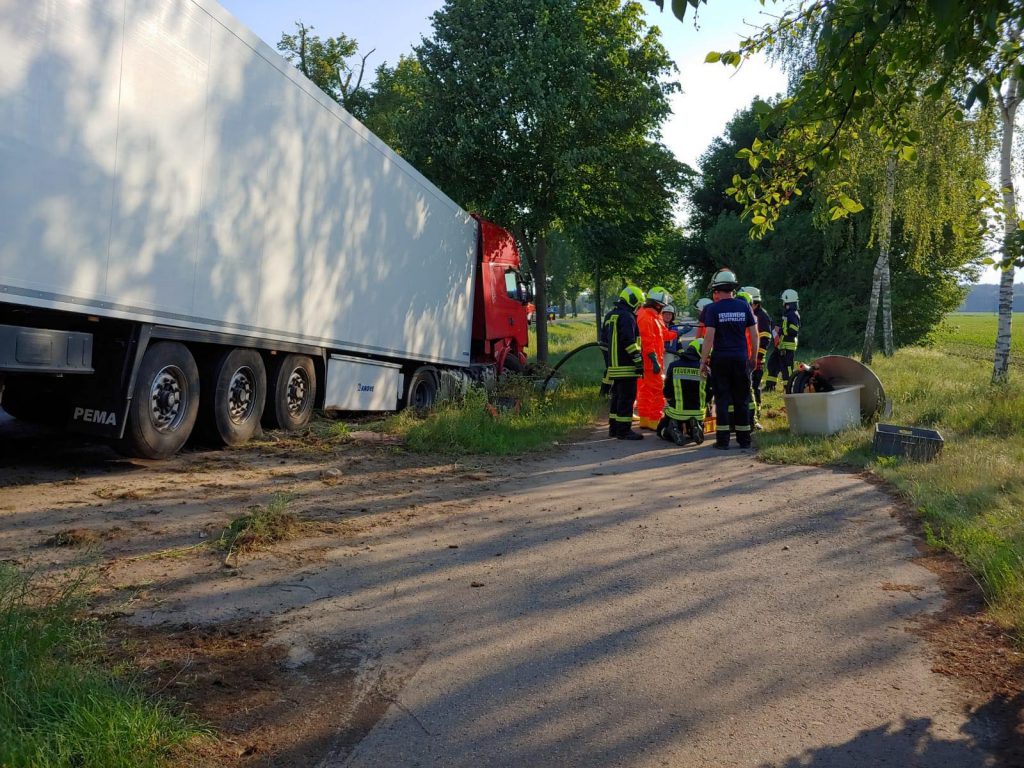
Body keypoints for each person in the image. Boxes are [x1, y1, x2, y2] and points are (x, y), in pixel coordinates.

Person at [699, 268, 758, 450]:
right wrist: (753, 357)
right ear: (733, 287)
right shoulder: (744, 306)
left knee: (722, 399)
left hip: (720, 360)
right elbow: (755, 334)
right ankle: (744, 440)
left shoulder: (712, 309)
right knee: (741, 399)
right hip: (741, 359)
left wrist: (703, 361)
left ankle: (723, 441)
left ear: (717, 288)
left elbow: (708, 337)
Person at [601, 285, 646, 440]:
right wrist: (639, 361)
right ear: (633, 301)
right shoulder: (627, 317)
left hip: (613, 367)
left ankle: (613, 428)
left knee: (617, 398)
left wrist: (608, 364)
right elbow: (629, 342)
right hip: (627, 366)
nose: (638, 308)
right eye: (638, 304)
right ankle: (624, 431)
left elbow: (603, 343)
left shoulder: (609, 316)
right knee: (627, 398)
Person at [635, 286, 675, 430]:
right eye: (662, 306)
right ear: (657, 304)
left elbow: (662, 335)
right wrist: (654, 361)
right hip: (651, 362)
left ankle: (645, 420)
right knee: (658, 391)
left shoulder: (653, 316)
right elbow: (647, 342)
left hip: (652, 361)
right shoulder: (646, 317)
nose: (663, 309)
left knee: (645, 390)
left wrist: (676, 333)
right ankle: (655, 420)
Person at [658, 337, 707, 446]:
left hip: (677, 411)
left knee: (660, 430)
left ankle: (672, 430)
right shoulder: (705, 369)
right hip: (698, 411)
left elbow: (667, 389)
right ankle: (694, 426)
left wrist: (669, 399)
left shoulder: (674, 366)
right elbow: (710, 391)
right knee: (693, 426)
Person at [742, 286, 772, 429]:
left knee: (754, 388)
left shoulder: (762, 316)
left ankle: (755, 416)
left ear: (755, 303)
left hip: (757, 361)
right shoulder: (752, 314)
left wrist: (758, 358)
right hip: (748, 359)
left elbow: (764, 339)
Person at [765, 289, 801, 393]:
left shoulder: (792, 314)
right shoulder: (789, 314)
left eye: (784, 301)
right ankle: (770, 386)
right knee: (772, 363)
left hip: (787, 347)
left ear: (787, 301)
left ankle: (788, 388)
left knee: (786, 368)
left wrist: (779, 330)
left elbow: (793, 331)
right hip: (782, 345)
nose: (783, 303)